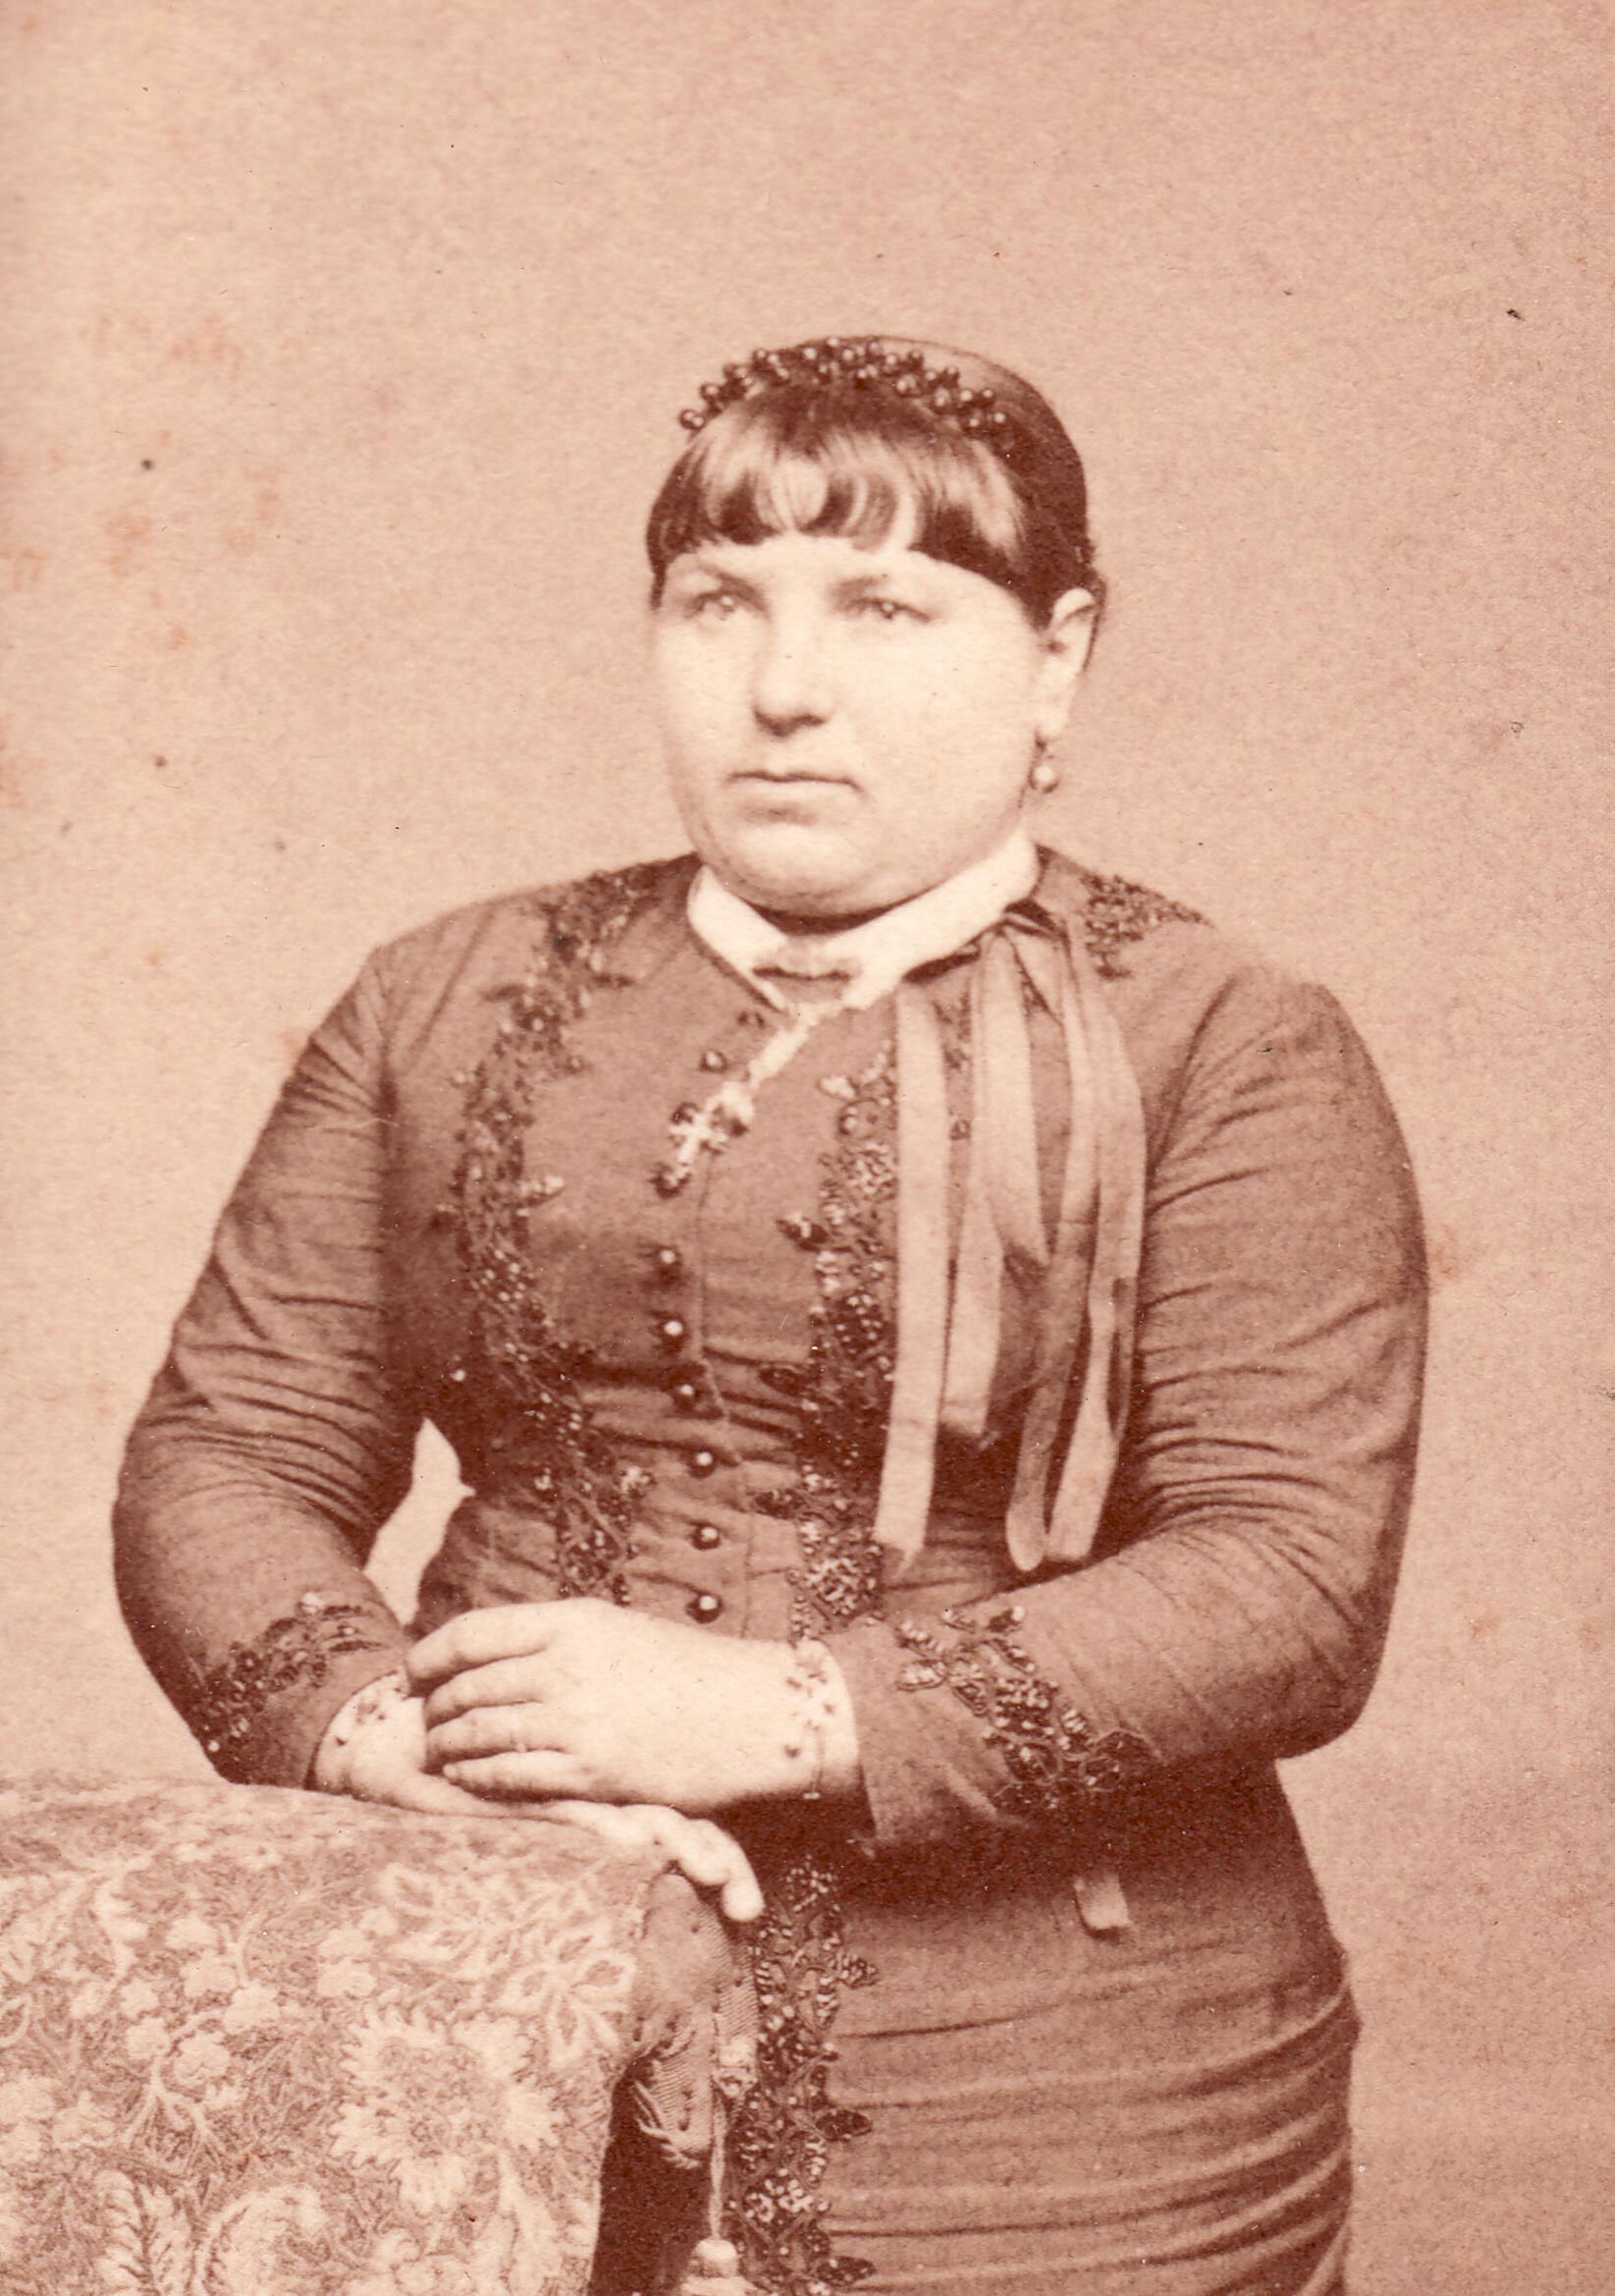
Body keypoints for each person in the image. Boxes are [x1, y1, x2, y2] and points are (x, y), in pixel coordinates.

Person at [115, 335, 1427, 2296]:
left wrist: (770, 1710)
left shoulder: (1224, 1037)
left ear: (1054, 654)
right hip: (487, 2002)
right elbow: (227, 1449)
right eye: (718, 602)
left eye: (885, 608)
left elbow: (1289, 1578)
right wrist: (384, 1731)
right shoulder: (439, 994)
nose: (785, 686)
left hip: (1060, 2099)